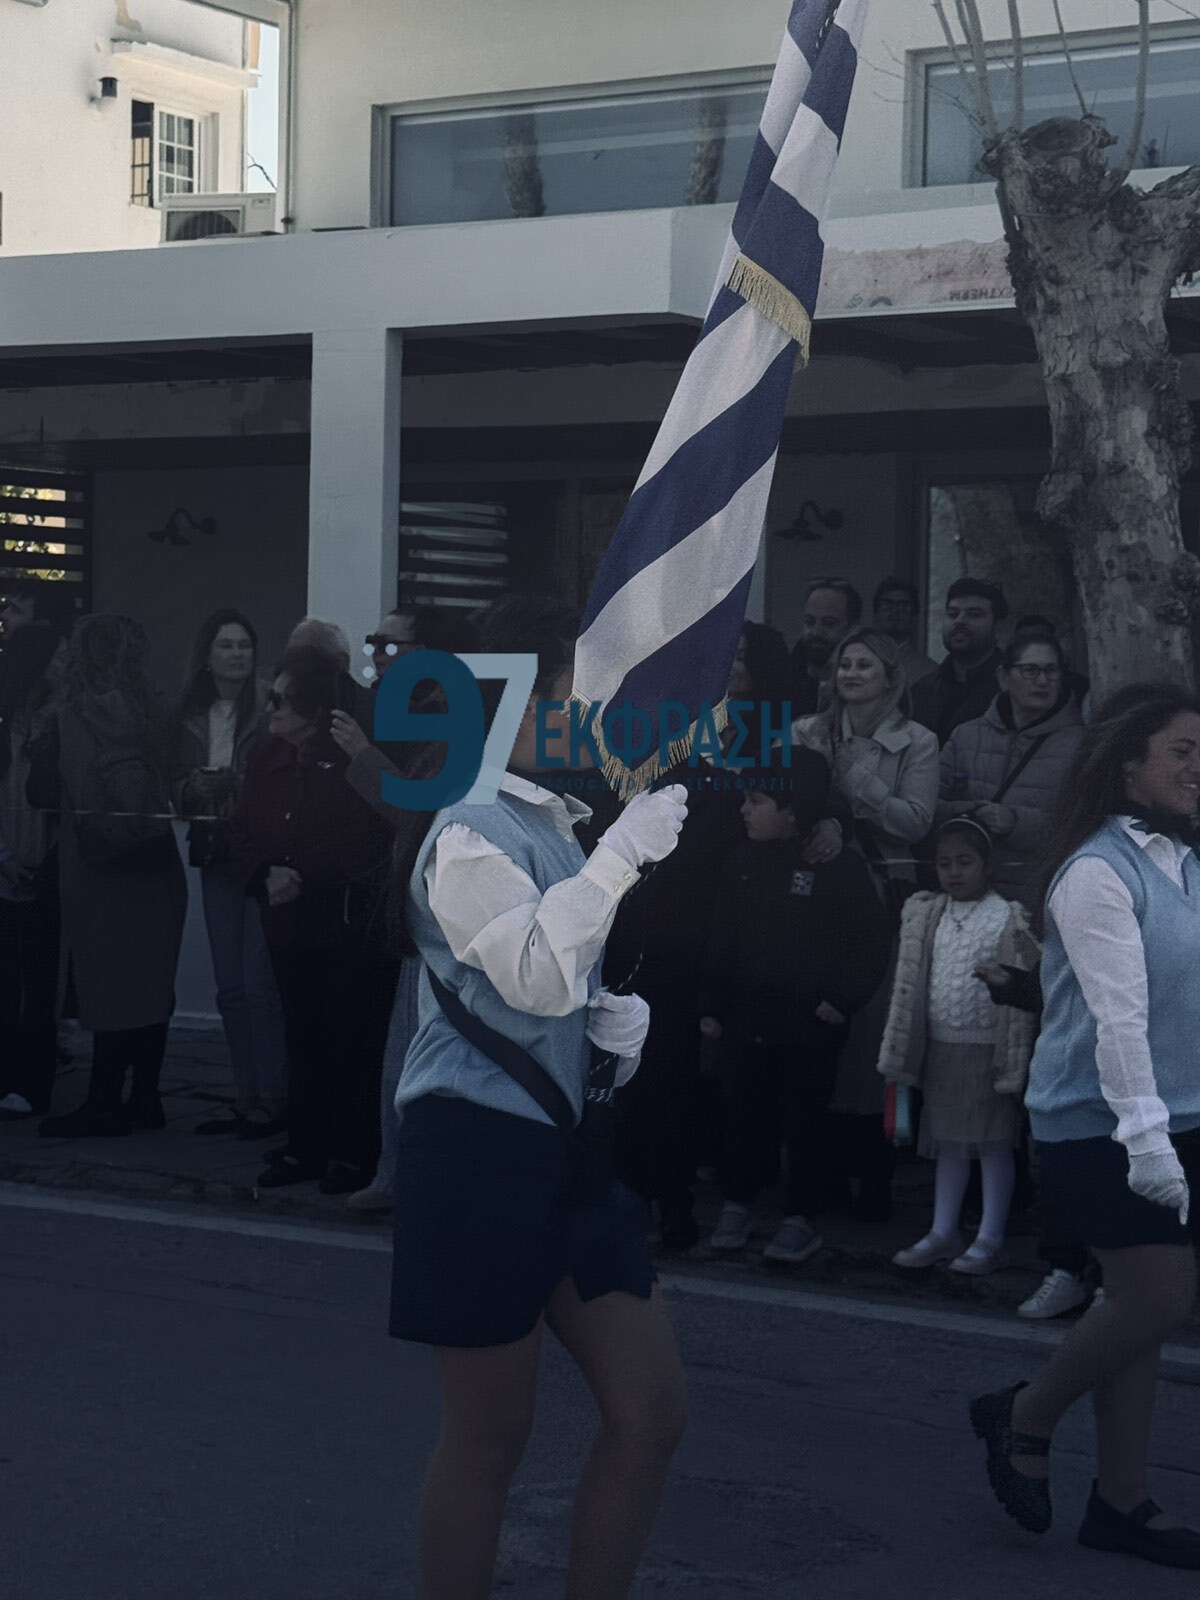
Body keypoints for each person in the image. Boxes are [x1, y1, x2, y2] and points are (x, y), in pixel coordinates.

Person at [388, 593, 690, 1600]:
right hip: (474, 1152)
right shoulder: (466, 826)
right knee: (488, 1437)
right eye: (568, 693)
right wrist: (622, 855)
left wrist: (608, 1043)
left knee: (652, 1413)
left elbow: (558, 994)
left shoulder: (551, 818)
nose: (581, 713)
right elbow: (531, 974)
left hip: (565, 1150)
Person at [970, 686, 1200, 1569]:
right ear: (1128, 761)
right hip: (1100, 1122)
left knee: (1136, 1309)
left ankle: (1122, 1501)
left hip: (1179, 1113)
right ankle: (1024, 1414)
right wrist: (1146, 1141)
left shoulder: (1183, 861)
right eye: (1182, 751)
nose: (1198, 768)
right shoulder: (1097, 872)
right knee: (1159, 1298)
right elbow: (1119, 1021)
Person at [702, 747, 891, 1262]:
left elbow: (872, 939)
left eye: (757, 800)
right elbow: (722, 938)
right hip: (747, 1017)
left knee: (807, 1119)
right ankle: (738, 1202)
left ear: (791, 811)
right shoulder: (740, 861)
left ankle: (800, 1216)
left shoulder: (837, 866)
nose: (745, 809)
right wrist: (713, 1005)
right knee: (745, 1113)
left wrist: (842, 1000)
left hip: (810, 1023)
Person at [229, 645, 395, 1192]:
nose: (271, 709)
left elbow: (365, 835)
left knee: (347, 1036)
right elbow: (240, 826)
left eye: (282, 700)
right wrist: (264, 872)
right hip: (285, 920)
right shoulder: (265, 754)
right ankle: (305, 1144)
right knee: (300, 1033)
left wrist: (299, 872)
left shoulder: (347, 758)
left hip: (336, 919)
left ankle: (353, 1149)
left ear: (314, 708)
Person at [328, 602, 476, 1214]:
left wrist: (361, 754)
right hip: (398, 903)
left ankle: (409, 1179)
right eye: (374, 642)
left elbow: (420, 812)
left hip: (445, 910)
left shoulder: (453, 718)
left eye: (391, 644)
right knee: (398, 1048)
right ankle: (392, 1174)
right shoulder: (393, 709)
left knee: (421, 1050)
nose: (379, 655)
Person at [795, 626, 940, 1221]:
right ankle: (820, 1175)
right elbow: (783, 802)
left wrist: (853, 777)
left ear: (889, 676)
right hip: (815, 897)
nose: (851, 674)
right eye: (845, 664)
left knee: (879, 1041)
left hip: (883, 898)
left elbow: (915, 821)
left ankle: (878, 1174)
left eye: (864, 665)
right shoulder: (805, 732)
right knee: (818, 1028)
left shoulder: (919, 742)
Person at [35, 615, 187, 1138]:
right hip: (154, 858)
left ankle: (102, 1100)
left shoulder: (70, 715)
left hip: (95, 865)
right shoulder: (156, 713)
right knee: (151, 986)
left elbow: (57, 792)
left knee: (105, 984)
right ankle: (145, 1097)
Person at [879, 819, 1037, 1274]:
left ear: (988, 866)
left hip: (989, 1050)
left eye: (965, 862)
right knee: (948, 1143)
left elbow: (1029, 973)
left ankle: (990, 1237)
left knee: (992, 1145)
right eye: (944, 864)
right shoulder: (930, 914)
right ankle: (942, 1230)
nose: (954, 872)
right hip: (942, 1045)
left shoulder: (1009, 916)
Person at [172, 609, 287, 1138]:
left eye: (244, 644)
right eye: (226, 645)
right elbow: (172, 783)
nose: (237, 654)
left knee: (260, 983)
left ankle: (275, 1096)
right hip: (215, 849)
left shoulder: (270, 705)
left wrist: (235, 785)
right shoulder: (187, 713)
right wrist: (191, 788)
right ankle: (246, 1095)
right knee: (230, 987)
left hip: (260, 851)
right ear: (207, 655)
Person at [936, 634, 1084, 906]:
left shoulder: (1081, 746)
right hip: (966, 900)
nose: (1042, 681)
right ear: (1003, 677)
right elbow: (930, 811)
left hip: (1037, 899)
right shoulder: (965, 737)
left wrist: (1015, 822)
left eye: (1051, 670)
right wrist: (970, 815)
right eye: (1030, 670)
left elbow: (1084, 827)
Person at [0, 624, 65, 1118]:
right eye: (57, 657)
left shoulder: (63, 723)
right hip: (4, 864)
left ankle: (32, 1082)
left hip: (47, 866)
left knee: (42, 981)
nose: (65, 666)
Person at [911, 578, 1008, 746]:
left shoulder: (1011, 688)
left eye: (974, 614)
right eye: (952, 614)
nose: (960, 621)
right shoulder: (922, 690)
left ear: (998, 627)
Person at [789, 578, 862, 717]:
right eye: (810, 622)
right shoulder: (782, 682)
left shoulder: (867, 689)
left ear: (852, 628)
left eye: (829, 623)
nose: (816, 632)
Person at [873, 577, 937, 686]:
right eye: (887, 605)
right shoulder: (856, 663)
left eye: (903, 606)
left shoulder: (929, 672)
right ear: (876, 614)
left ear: (914, 617)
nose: (895, 611)